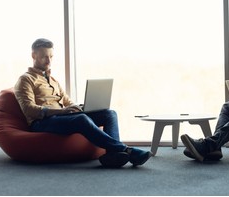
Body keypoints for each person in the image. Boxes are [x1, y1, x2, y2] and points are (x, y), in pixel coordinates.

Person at [14, 38, 152, 168]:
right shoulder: (26, 80)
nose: (48, 60)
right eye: (44, 56)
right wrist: (62, 111)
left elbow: (67, 100)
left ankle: (113, 155)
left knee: (109, 114)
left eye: (51, 56)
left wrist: (79, 107)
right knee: (81, 119)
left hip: (61, 117)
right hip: (42, 122)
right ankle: (127, 151)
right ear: (33, 56)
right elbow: (29, 109)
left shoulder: (53, 80)